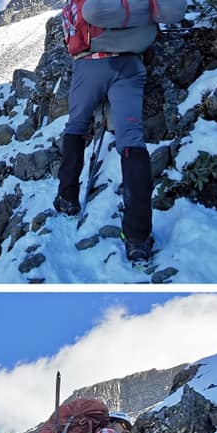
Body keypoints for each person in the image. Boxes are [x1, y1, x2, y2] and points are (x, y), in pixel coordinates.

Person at [54, 41, 154, 265]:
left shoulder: (77, 4)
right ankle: (138, 238)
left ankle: (67, 198)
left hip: (90, 65)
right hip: (130, 64)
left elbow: (71, 39)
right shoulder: (132, 3)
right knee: (132, 141)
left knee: (76, 126)